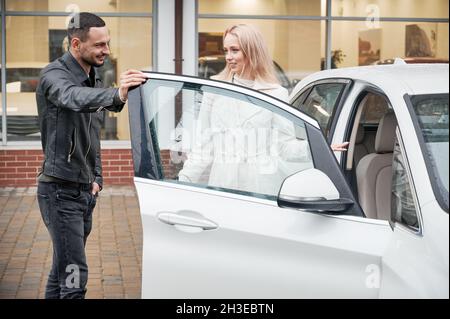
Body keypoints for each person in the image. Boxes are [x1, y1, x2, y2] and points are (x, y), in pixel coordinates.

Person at [35, 12, 146, 299]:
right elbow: (72, 98)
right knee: (74, 277)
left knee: (63, 267)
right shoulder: (54, 75)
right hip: (59, 191)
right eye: (99, 45)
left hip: (84, 191)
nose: (106, 51)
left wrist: (97, 177)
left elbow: (92, 133)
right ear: (76, 44)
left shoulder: (92, 77)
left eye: (107, 43)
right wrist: (115, 94)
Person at [178, 24, 347, 195]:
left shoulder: (275, 93)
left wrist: (319, 148)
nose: (228, 57)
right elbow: (203, 146)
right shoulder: (215, 90)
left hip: (260, 188)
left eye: (234, 50)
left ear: (252, 51)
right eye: (226, 50)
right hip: (223, 185)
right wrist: (183, 181)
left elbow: (284, 146)